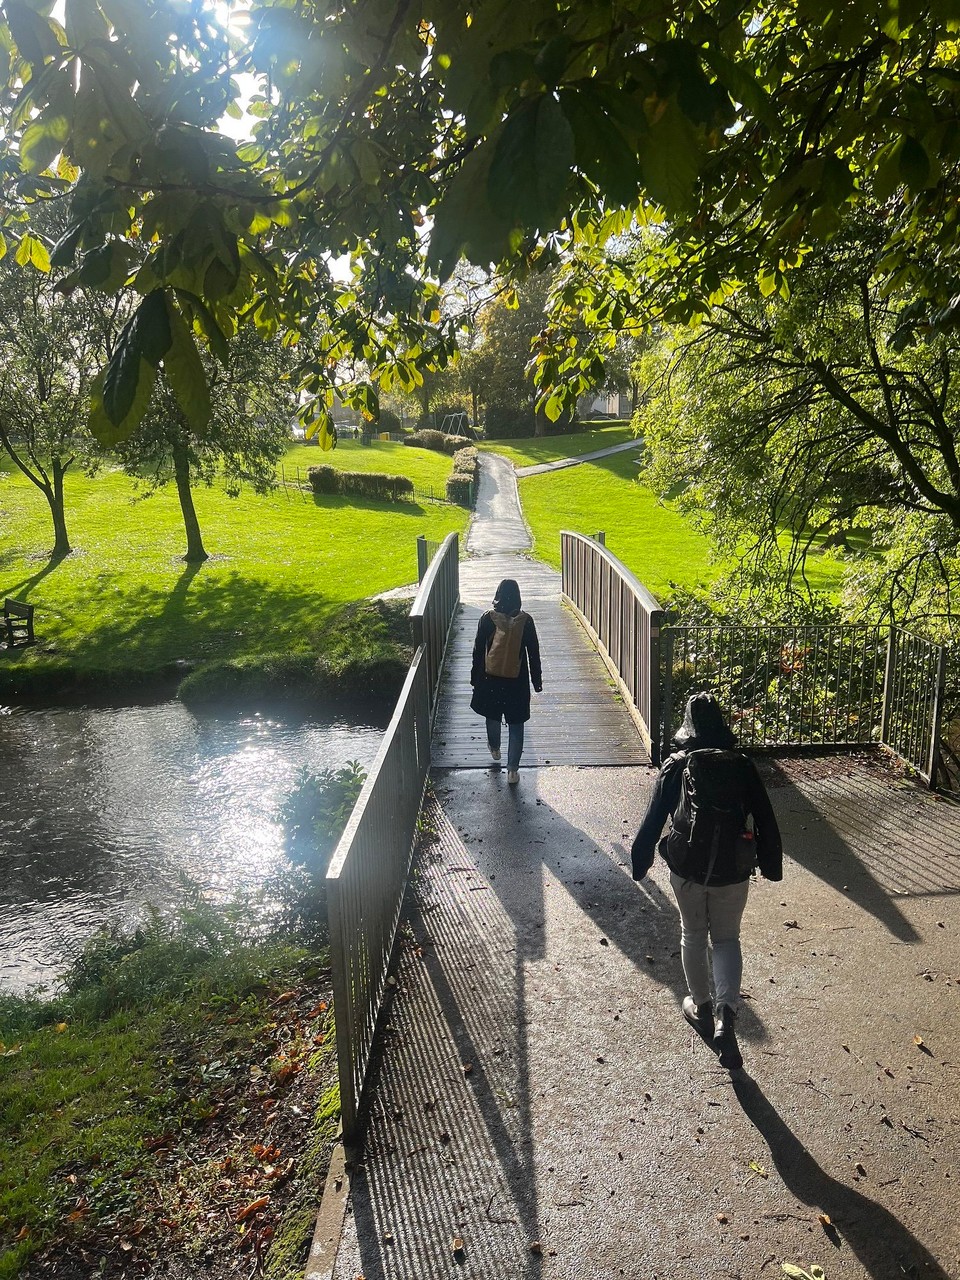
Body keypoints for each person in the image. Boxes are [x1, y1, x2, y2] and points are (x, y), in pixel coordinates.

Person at [630, 691, 782, 1069]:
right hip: (733, 870)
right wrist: (770, 864)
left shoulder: (677, 765)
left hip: (688, 869)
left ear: (688, 725)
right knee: (727, 938)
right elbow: (765, 817)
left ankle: (701, 1008)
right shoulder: (742, 765)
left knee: (693, 934)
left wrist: (640, 860)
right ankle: (726, 1017)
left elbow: (653, 819)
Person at [470, 579, 542, 784]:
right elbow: (533, 653)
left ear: (498, 595)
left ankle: (494, 747)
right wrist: (536, 681)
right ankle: (512, 771)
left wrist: (474, 677)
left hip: (489, 678)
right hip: (516, 680)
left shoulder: (487, 618)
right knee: (516, 723)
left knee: (492, 716)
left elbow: (478, 650)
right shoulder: (526, 621)